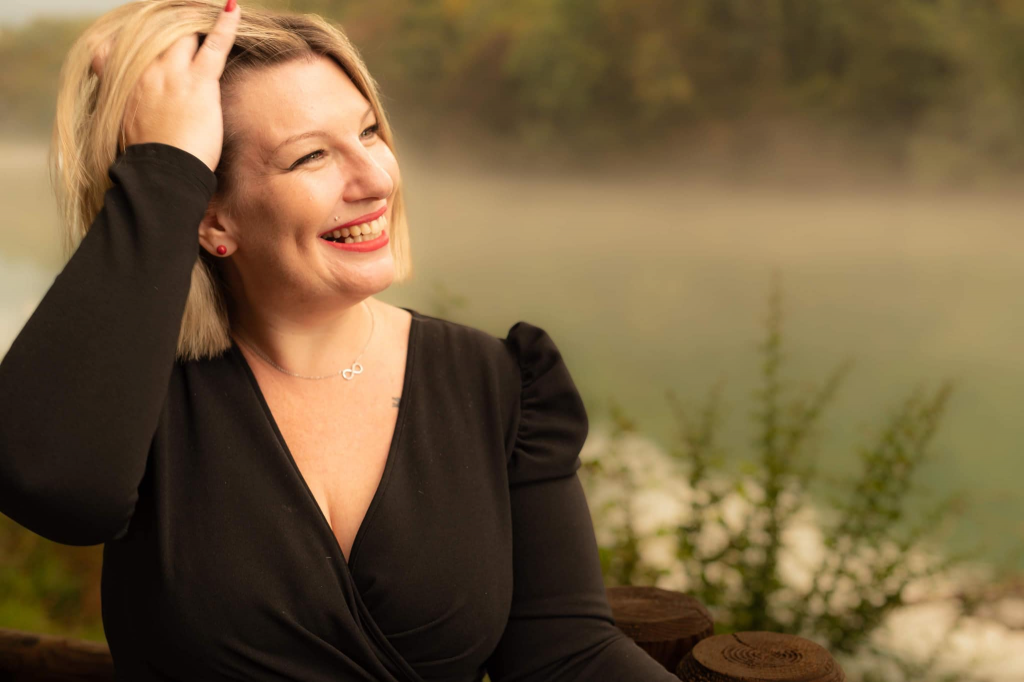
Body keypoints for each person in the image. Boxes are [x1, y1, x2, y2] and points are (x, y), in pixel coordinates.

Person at [0, 1, 681, 680]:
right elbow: (58, 491)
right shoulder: (132, 398)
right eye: (312, 156)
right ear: (211, 217)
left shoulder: (496, 380)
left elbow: (566, 655)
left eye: (369, 132)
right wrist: (163, 168)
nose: (376, 179)